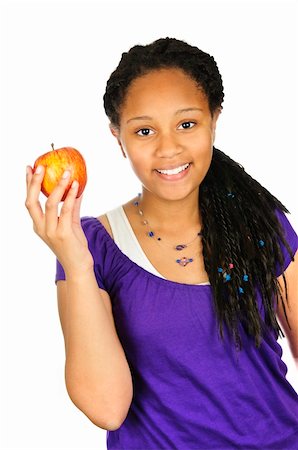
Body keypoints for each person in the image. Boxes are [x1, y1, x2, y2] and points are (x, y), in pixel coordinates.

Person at [25, 37, 298, 449]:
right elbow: (107, 407)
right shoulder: (91, 247)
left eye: (187, 124)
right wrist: (77, 264)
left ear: (214, 120)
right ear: (118, 137)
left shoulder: (260, 224)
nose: (168, 148)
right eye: (144, 130)